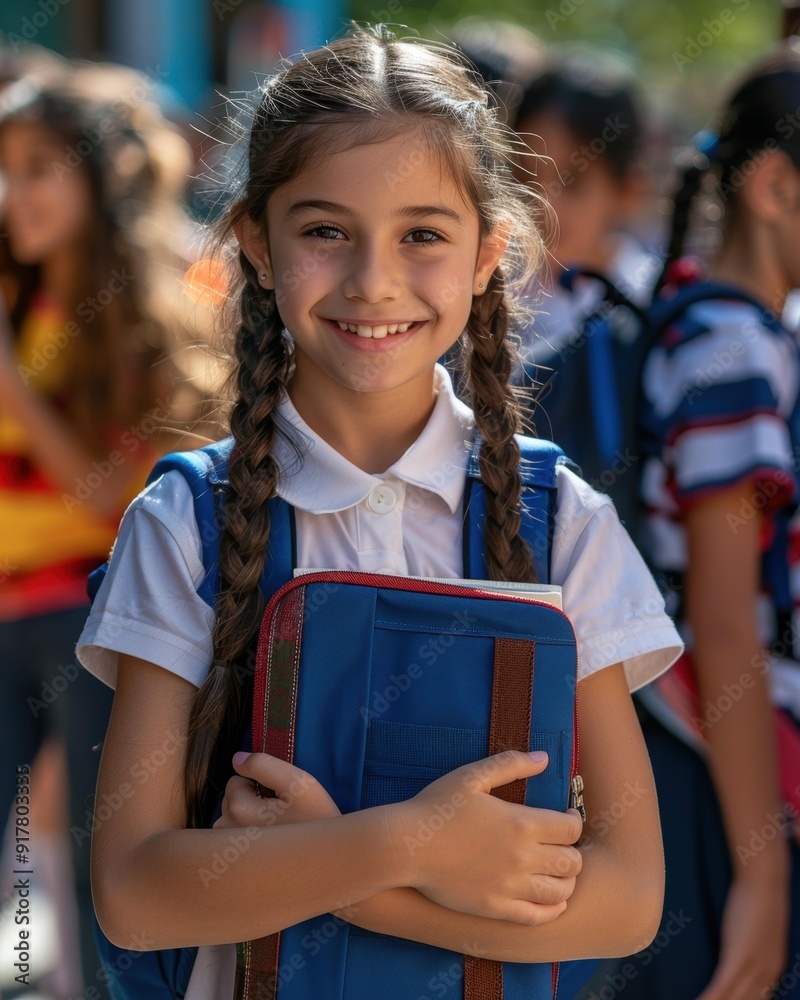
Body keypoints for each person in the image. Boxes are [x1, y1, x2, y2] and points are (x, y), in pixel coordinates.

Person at [76, 26, 682, 1000]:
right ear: (254, 245)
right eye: (324, 230)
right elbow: (133, 890)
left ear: (489, 251)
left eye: (421, 235)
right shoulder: (183, 518)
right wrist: (411, 842)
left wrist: (366, 873)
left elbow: (626, 900)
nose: (372, 281)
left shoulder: (562, 518)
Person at [596, 40, 800, 1000]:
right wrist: (762, 873)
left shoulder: (692, 310)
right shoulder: (735, 350)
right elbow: (725, 621)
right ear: (774, 188)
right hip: (737, 789)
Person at [0, 65, 202, 998]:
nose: (15, 193)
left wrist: (14, 389)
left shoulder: (141, 321)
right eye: (4, 167)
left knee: (96, 858)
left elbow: (108, 501)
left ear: (99, 179)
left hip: (90, 621)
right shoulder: (13, 300)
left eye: (40, 167)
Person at [513, 50, 659, 530]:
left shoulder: (656, 305)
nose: (544, 206)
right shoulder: (480, 304)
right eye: (525, 177)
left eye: (572, 182)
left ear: (628, 190)